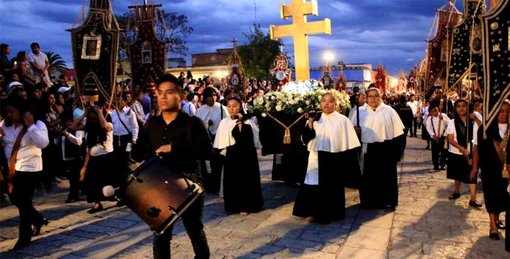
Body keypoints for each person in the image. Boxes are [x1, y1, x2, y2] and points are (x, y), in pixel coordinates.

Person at [145, 73, 211, 258]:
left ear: (180, 96)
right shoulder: (152, 124)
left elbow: (206, 150)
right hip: (160, 186)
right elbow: (140, 151)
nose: (163, 97)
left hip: (188, 184)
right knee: (160, 234)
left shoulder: (192, 123)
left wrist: (174, 147)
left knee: (194, 230)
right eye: (160, 93)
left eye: (169, 92)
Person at [293, 93, 361, 224]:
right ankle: (312, 212)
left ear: (335, 104)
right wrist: (311, 122)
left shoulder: (343, 120)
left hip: (335, 157)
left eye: (330, 101)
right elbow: (306, 139)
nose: (326, 104)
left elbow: (347, 143)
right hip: (317, 155)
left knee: (333, 186)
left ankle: (333, 212)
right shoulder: (315, 118)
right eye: (324, 101)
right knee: (314, 184)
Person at [0, 95, 49, 250]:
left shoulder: (37, 123)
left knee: (23, 201)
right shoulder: (5, 125)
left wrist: (30, 126)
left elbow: (43, 143)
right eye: (7, 112)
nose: (9, 115)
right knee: (16, 199)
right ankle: (38, 219)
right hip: (12, 168)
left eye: (12, 111)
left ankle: (24, 237)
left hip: (30, 168)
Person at [351, 87, 404, 209]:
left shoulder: (388, 111)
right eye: (370, 96)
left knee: (386, 175)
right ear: (366, 98)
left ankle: (387, 200)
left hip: (385, 147)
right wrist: (356, 131)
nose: (373, 99)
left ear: (380, 98)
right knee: (369, 176)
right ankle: (369, 201)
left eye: (376, 96)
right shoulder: (360, 111)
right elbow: (352, 130)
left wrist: (397, 153)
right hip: (368, 148)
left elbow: (398, 132)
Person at [213, 97, 263, 216]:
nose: (231, 109)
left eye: (234, 106)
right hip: (231, 154)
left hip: (246, 155)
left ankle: (246, 205)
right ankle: (232, 205)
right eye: (229, 106)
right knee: (231, 180)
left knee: (245, 180)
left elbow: (253, 139)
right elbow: (221, 140)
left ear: (240, 107)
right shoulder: (224, 122)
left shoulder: (247, 121)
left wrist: (241, 124)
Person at [470, 100, 509, 240]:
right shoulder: (485, 129)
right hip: (489, 168)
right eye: (501, 111)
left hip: (506, 170)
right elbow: (477, 148)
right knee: (491, 195)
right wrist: (474, 167)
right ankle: (492, 225)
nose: (504, 114)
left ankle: (497, 218)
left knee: (502, 195)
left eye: (507, 111)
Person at [446, 99, 482, 207]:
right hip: (456, 152)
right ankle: (456, 191)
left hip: (473, 151)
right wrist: (461, 148)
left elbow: (484, 129)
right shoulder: (452, 122)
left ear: (467, 107)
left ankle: (473, 198)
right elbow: (450, 139)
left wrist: (475, 119)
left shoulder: (475, 117)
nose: (461, 108)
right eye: (458, 106)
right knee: (457, 174)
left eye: (464, 106)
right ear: (455, 109)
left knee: (473, 174)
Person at [81, 104, 114, 213]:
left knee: (107, 183)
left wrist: (99, 112)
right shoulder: (90, 130)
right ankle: (97, 203)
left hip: (106, 157)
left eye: (94, 118)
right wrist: (84, 114)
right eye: (90, 118)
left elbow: (105, 127)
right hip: (94, 158)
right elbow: (74, 127)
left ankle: (118, 198)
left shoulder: (108, 125)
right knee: (91, 181)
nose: (93, 120)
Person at [196, 87, 228, 195]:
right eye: (210, 96)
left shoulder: (221, 108)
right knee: (208, 166)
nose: (212, 98)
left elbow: (227, 122)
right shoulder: (200, 110)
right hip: (206, 142)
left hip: (219, 139)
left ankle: (219, 185)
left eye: (214, 96)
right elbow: (198, 126)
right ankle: (210, 186)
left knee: (219, 164)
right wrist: (207, 124)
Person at [57, 110, 85, 203]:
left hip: (74, 157)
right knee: (71, 178)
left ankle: (73, 195)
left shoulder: (78, 129)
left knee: (74, 178)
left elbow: (79, 142)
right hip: (64, 157)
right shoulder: (63, 128)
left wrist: (68, 135)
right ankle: (76, 193)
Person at [425, 103, 450, 171]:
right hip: (434, 137)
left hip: (443, 136)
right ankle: (436, 164)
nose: (435, 112)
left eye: (436, 110)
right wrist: (433, 135)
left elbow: (449, 123)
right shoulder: (430, 119)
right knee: (435, 152)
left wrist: (443, 119)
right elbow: (428, 128)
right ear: (430, 113)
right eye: (433, 111)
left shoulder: (443, 115)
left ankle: (442, 164)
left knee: (444, 152)